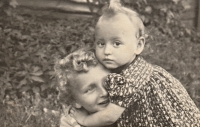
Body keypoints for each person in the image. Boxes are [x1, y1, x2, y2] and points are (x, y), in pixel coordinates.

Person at [70, 0, 200, 126]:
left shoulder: (131, 77)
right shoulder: (125, 66)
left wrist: (85, 120)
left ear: (138, 45)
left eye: (117, 43)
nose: (107, 51)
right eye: (101, 43)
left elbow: (110, 117)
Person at [54, 48, 118, 127]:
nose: (104, 92)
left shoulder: (127, 104)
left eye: (107, 81)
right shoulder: (72, 121)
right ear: (74, 101)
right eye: (90, 89)